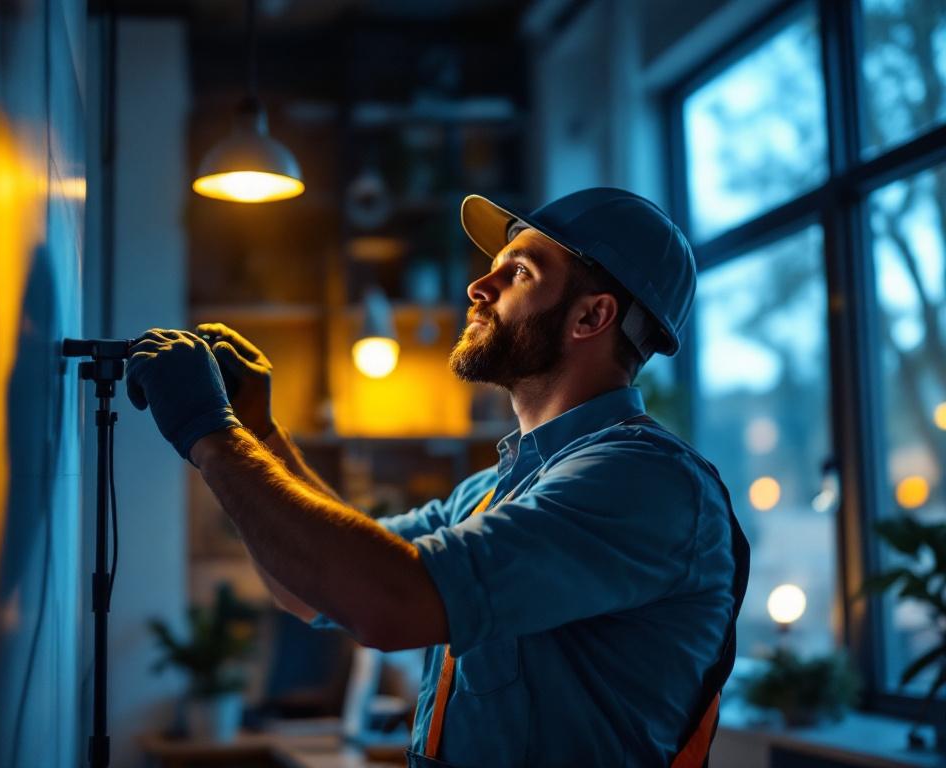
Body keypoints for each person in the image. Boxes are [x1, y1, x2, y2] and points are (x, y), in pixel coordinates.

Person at [124, 188, 749, 767]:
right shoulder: (490, 493)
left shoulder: (642, 482)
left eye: (520, 272)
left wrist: (213, 438)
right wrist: (258, 434)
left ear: (592, 316)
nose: (479, 285)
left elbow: (388, 604)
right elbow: (319, 587)